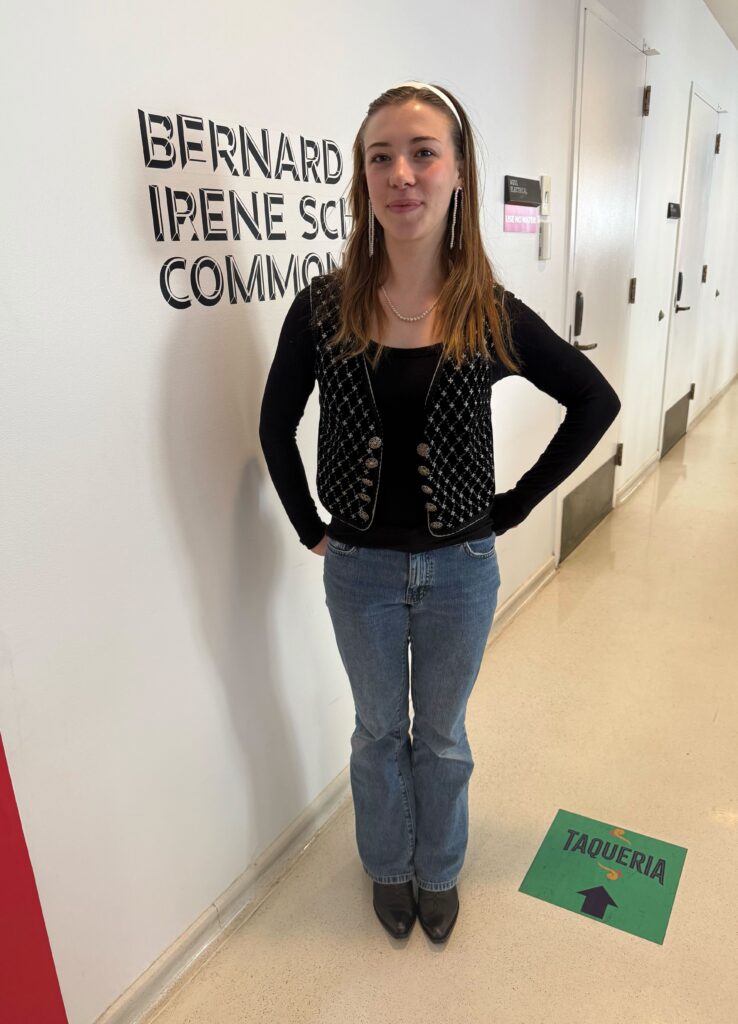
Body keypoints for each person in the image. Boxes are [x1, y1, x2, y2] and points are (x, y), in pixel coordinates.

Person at [259, 81, 621, 944]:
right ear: (363, 179)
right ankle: (388, 865)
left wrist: (513, 507)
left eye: (423, 152)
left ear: (458, 173)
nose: (401, 174)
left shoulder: (485, 312)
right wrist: (310, 523)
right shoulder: (322, 306)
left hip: (462, 569)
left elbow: (593, 401)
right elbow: (276, 422)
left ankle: (441, 868)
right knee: (380, 731)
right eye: (381, 156)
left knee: (445, 737)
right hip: (360, 570)